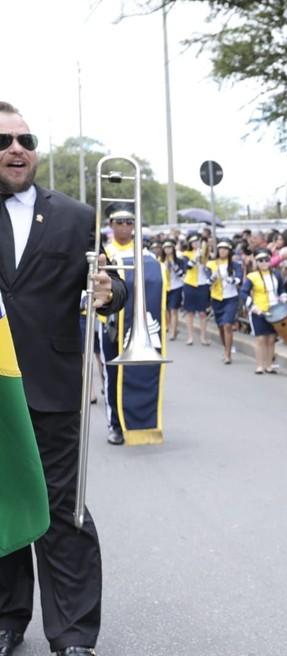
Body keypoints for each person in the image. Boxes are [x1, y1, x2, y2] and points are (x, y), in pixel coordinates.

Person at [0, 100, 126, 656]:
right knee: (2, 505)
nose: (16, 149)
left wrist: (108, 294)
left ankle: (73, 634)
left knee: (63, 510)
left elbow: (112, 286)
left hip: (54, 385)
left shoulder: (76, 216)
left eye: (26, 139)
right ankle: (6, 619)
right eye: (4, 140)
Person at [99, 203, 168, 446]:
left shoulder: (147, 256)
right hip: (110, 324)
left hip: (138, 324)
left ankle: (141, 422)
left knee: (142, 373)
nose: (125, 227)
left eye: (130, 222)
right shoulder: (104, 253)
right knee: (113, 375)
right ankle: (115, 425)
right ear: (111, 225)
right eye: (120, 222)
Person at [240, 248, 284, 374]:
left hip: (274, 310)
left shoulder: (276, 275)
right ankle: (259, 365)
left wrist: (284, 298)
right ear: (256, 262)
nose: (264, 263)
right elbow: (243, 292)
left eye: (266, 260)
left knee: (271, 338)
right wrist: (253, 306)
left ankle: (269, 365)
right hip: (258, 310)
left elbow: (281, 290)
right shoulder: (252, 276)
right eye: (260, 260)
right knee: (260, 339)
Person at [207, 240, 243, 365]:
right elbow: (207, 280)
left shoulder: (235, 265)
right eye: (220, 249)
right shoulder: (212, 264)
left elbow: (239, 278)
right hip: (216, 297)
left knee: (227, 325)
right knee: (220, 326)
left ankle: (228, 354)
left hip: (230, 297)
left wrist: (231, 279)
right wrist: (212, 278)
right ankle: (225, 348)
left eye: (225, 249)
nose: (223, 251)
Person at [181, 233, 212, 346]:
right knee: (190, 312)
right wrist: (195, 258)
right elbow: (186, 267)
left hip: (203, 284)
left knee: (203, 313)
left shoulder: (206, 253)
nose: (196, 244)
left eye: (198, 241)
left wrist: (204, 255)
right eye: (193, 242)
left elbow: (210, 266)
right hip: (190, 283)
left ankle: (203, 337)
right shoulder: (186, 254)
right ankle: (190, 337)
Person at [160, 238, 187, 341]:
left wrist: (174, 266)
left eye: (170, 247)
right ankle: (169, 326)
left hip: (176, 286)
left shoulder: (179, 260)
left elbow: (182, 275)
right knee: (166, 309)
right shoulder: (160, 261)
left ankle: (173, 331)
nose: (168, 250)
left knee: (174, 310)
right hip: (164, 287)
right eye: (166, 248)